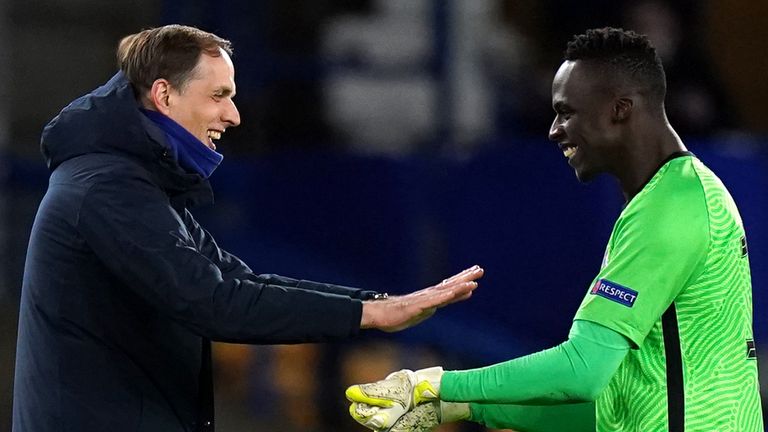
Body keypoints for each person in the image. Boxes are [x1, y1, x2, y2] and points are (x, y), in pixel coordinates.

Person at [12, 24, 484, 432]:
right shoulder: (107, 189)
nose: (233, 115)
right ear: (163, 94)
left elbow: (240, 282)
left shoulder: (136, 183)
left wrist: (376, 305)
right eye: (218, 96)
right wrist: (373, 316)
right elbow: (216, 303)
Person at [345, 27, 763, 432]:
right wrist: (462, 408)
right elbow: (613, 415)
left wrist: (435, 384)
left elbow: (581, 370)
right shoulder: (682, 194)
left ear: (620, 109)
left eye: (566, 112)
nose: (554, 130)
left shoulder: (669, 210)